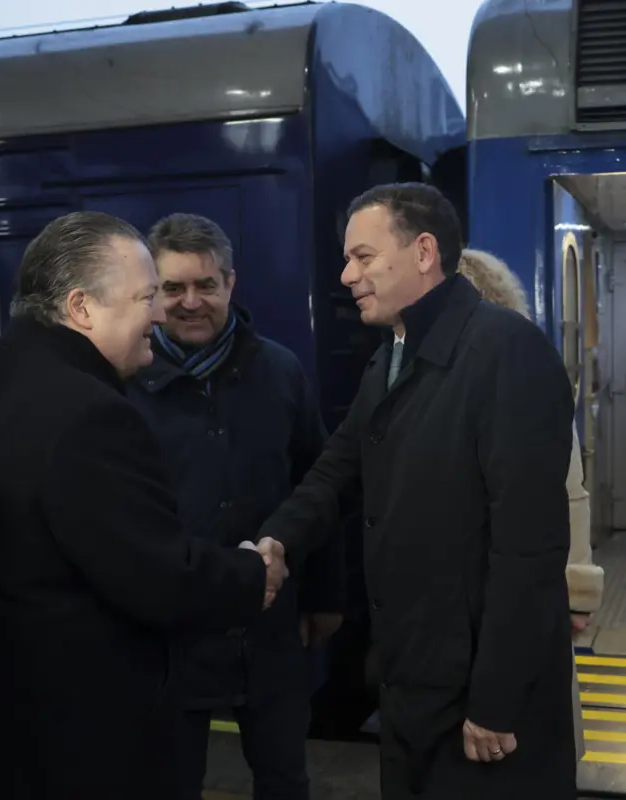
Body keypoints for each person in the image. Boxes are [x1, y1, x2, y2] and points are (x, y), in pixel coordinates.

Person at [0, 211, 288, 800]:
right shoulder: (88, 412)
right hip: (83, 741)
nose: (157, 314)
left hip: (1, 727)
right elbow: (157, 576)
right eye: (146, 296)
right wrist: (254, 573)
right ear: (82, 308)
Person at [254, 182, 578, 799]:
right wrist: (277, 541)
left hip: (477, 696)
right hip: (412, 683)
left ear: (424, 251)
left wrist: (496, 700)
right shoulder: (393, 357)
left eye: (363, 257)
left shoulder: (508, 353)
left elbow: (529, 552)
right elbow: (334, 472)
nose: (347, 275)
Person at [127, 213, 345, 800]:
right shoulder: (123, 383)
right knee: (171, 784)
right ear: (153, 293)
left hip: (269, 631)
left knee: (283, 779)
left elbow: (316, 486)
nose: (190, 302)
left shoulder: (279, 371)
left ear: (231, 284)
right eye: (172, 289)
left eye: (206, 285)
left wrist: (324, 596)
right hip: (169, 638)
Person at [455, 248, 603, 763]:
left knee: (524, 728)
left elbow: (568, 493)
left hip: (519, 590)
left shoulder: (516, 372)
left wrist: (577, 590)